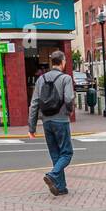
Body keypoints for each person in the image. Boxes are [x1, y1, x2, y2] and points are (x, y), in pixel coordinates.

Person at [27, 50, 75, 196]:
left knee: (55, 154)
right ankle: (53, 175)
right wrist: (69, 111)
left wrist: (32, 127)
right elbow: (69, 98)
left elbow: (34, 104)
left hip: (46, 122)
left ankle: (60, 187)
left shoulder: (41, 79)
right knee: (66, 153)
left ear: (51, 62)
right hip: (61, 120)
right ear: (62, 62)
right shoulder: (66, 78)